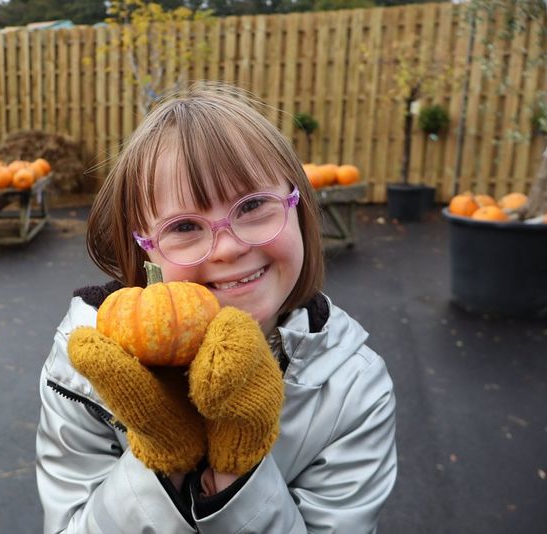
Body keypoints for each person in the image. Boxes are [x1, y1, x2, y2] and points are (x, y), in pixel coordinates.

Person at [36, 82, 397, 533]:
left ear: (297, 205)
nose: (227, 248)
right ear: (146, 248)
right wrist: (162, 463)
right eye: (185, 225)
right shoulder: (82, 369)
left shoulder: (353, 387)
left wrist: (236, 470)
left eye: (253, 206)